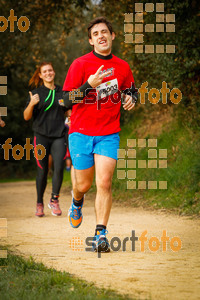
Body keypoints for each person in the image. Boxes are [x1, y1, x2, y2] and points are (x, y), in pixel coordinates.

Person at [62, 17, 137, 252]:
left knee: (104, 182)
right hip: (81, 133)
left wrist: (132, 98)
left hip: (108, 133)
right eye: (96, 34)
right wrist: (88, 85)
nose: (101, 36)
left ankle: (100, 235)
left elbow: (132, 90)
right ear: (90, 40)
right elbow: (64, 101)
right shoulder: (80, 64)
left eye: (105, 31)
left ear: (113, 36)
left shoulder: (123, 66)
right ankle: (76, 201)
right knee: (83, 185)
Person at [24, 62, 67, 217]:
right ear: (40, 75)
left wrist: (70, 118)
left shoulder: (63, 91)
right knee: (42, 171)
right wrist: (32, 104)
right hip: (41, 136)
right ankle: (39, 203)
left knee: (59, 167)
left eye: (50, 70)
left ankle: (54, 200)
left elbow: (68, 112)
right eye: (45, 71)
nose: (48, 73)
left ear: (54, 72)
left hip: (59, 135)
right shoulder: (36, 94)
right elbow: (26, 116)